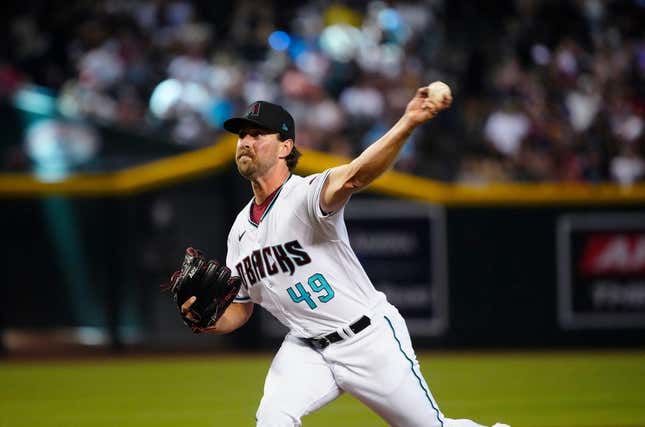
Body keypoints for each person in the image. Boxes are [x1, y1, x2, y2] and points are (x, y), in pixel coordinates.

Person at [181, 85, 510, 427]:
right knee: (272, 418)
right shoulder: (239, 231)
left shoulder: (305, 195)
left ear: (285, 147)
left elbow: (355, 176)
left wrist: (408, 122)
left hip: (366, 339)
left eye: (257, 134)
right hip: (305, 348)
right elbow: (242, 306)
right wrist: (208, 320)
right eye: (241, 135)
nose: (245, 141)